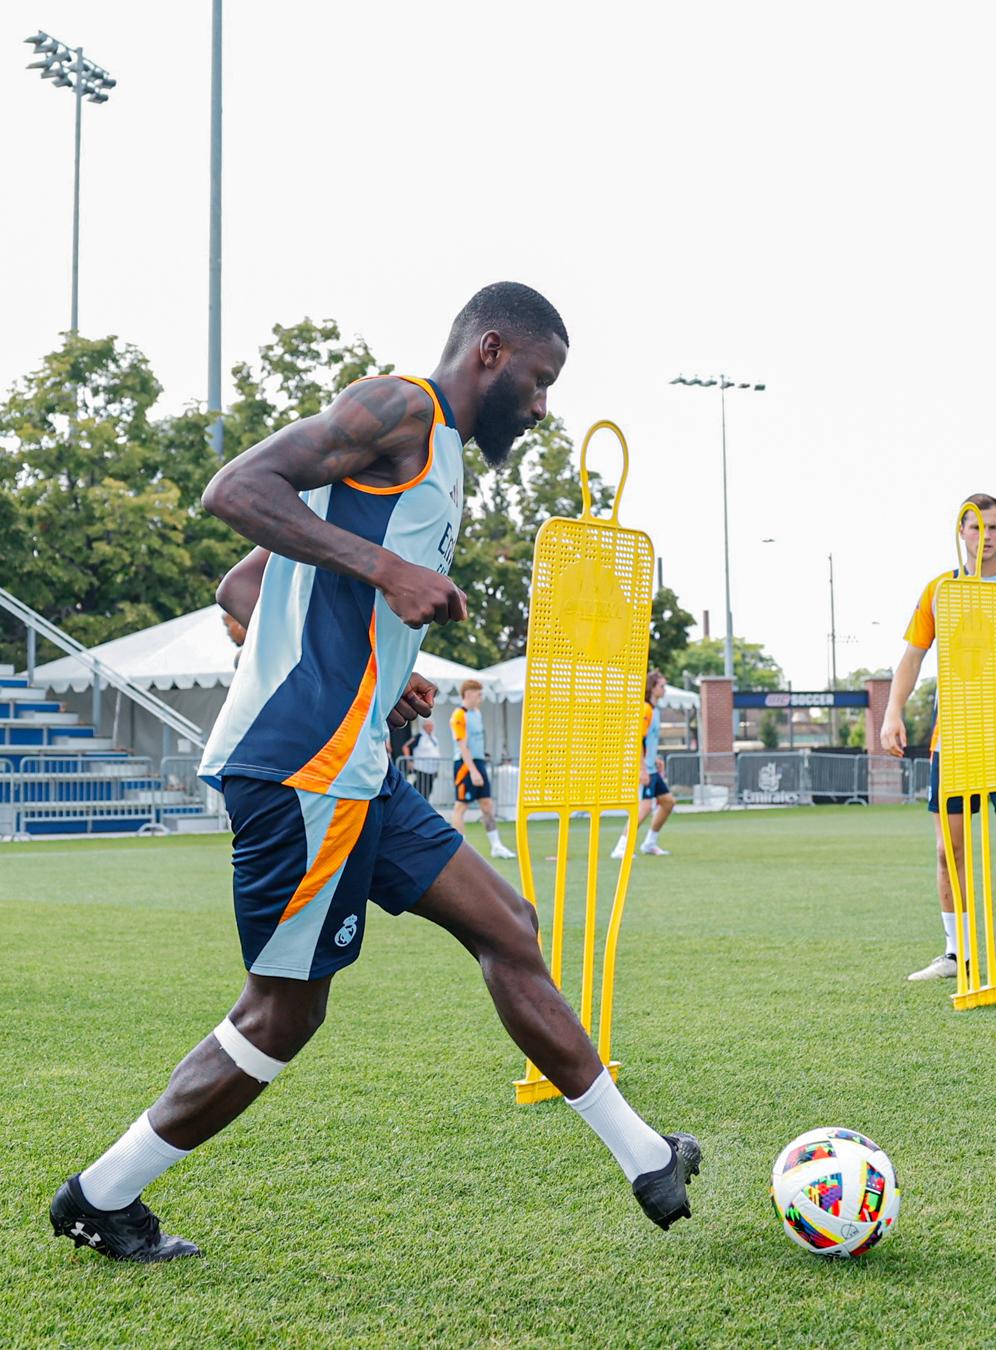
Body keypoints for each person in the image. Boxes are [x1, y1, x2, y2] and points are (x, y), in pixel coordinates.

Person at [49, 282, 700, 1263]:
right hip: (304, 763)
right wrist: (385, 576)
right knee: (280, 1017)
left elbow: (248, 591)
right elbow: (233, 494)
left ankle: (648, 1158)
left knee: (505, 925)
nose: (542, 404)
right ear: (490, 350)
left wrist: (376, 670)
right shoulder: (398, 409)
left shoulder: (438, 463)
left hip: (362, 769)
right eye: (539, 378)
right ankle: (101, 1196)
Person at [880, 493, 996, 991]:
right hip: (956, 737)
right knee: (949, 851)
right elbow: (913, 657)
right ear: (960, 531)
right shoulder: (940, 590)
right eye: (975, 527)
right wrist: (892, 713)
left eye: (994, 527)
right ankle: (955, 953)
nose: (985, 536)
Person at [612, 670, 677, 859]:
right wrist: (642, 769)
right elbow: (636, 741)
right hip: (643, 769)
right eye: (662, 686)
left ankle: (649, 843)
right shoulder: (645, 709)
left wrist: (655, 759)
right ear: (652, 688)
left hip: (650, 767)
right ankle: (621, 847)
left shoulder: (655, 711)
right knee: (645, 807)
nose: (664, 689)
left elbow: (649, 740)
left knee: (667, 803)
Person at [450, 679, 514, 858]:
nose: (481, 698)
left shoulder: (477, 713)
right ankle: (460, 851)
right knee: (461, 806)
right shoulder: (458, 715)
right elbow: (463, 746)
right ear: (468, 694)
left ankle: (496, 845)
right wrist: (473, 770)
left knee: (487, 804)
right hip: (464, 765)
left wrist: (479, 766)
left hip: (478, 762)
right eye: (479, 694)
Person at [404, 717, 440, 801]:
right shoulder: (419, 736)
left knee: (428, 791)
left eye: (432, 726)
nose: (431, 728)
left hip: (432, 770)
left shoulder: (434, 738)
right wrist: (409, 761)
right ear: (425, 726)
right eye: (429, 726)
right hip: (421, 769)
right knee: (420, 791)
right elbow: (406, 746)